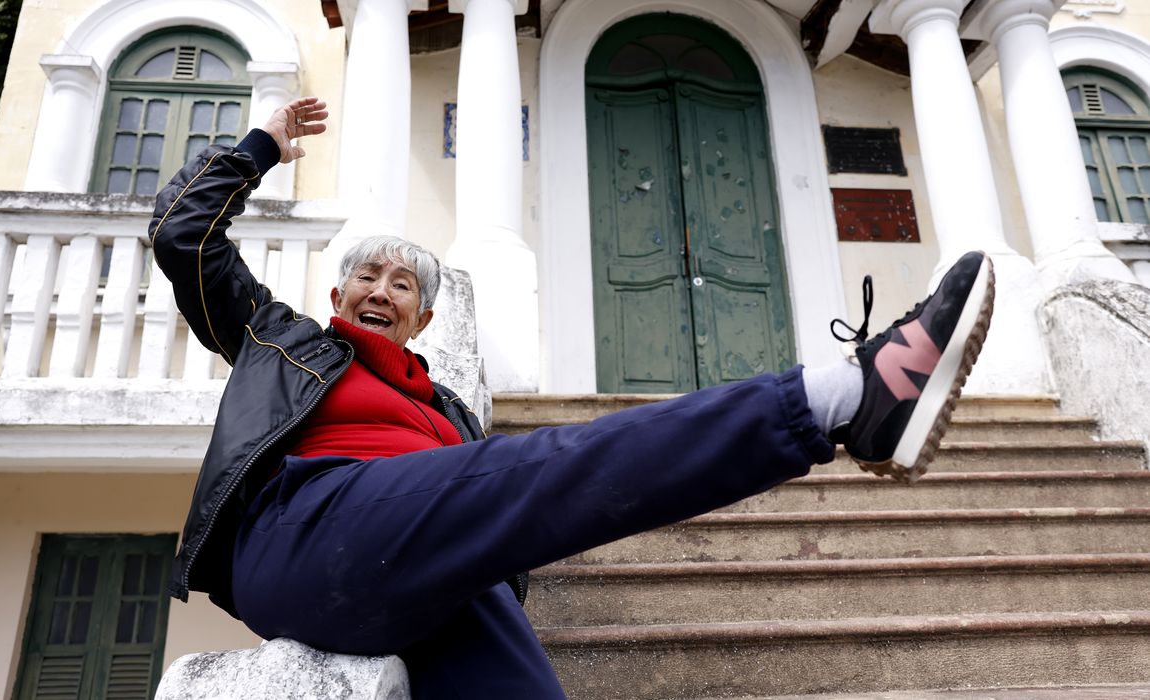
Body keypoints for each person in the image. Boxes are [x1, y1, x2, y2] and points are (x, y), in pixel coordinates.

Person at [151, 97, 994, 698]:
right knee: (542, 465)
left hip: (435, 570)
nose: (382, 288)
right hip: (307, 533)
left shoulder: (448, 408)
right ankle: (843, 398)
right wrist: (260, 145)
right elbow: (182, 230)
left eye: (403, 281)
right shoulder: (281, 338)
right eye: (366, 275)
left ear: (425, 315)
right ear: (338, 297)